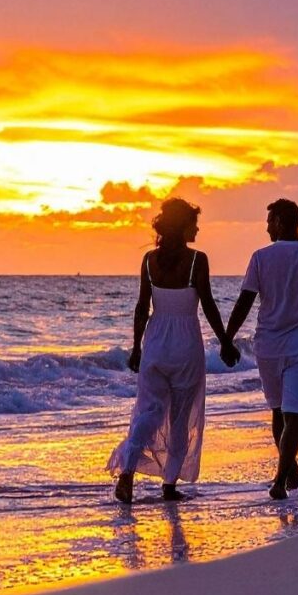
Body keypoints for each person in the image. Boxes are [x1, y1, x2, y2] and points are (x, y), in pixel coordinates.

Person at [106, 198, 233, 503]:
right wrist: (225, 341)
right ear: (183, 226)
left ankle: (127, 472)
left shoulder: (149, 260)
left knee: (147, 411)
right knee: (180, 416)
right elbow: (209, 304)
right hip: (186, 344)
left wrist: (136, 348)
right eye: (193, 223)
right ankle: (169, 485)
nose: (198, 228)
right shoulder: (197, 260)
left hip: (155, 342)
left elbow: (141, 308)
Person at [221, 198, 298, 500]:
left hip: (271, 345)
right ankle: (289, 466)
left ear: (279, 222)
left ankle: (279, 479)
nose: (266, 228)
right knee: (287, 412)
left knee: (287, 413)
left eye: (269, 221)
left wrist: (227, 338)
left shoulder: (262, 257)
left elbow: (245, 301)